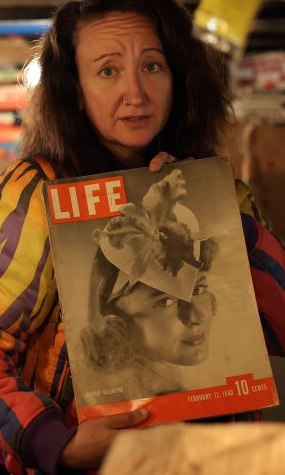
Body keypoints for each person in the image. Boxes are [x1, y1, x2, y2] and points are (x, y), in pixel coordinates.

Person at [0, 0, 285, 474]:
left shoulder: (213, 190)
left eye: (152, 66)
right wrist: (52, 442)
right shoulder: (40, 194)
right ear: (73, 91)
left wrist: (223, 221)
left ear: (178, 77)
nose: (136, 92)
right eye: (107, 71)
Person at [80, 169, 219, 399]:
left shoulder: (170, 379)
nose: (196, 316)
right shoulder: (108, 399)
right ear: (113, 316)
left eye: (199, 289)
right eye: (164, 301)